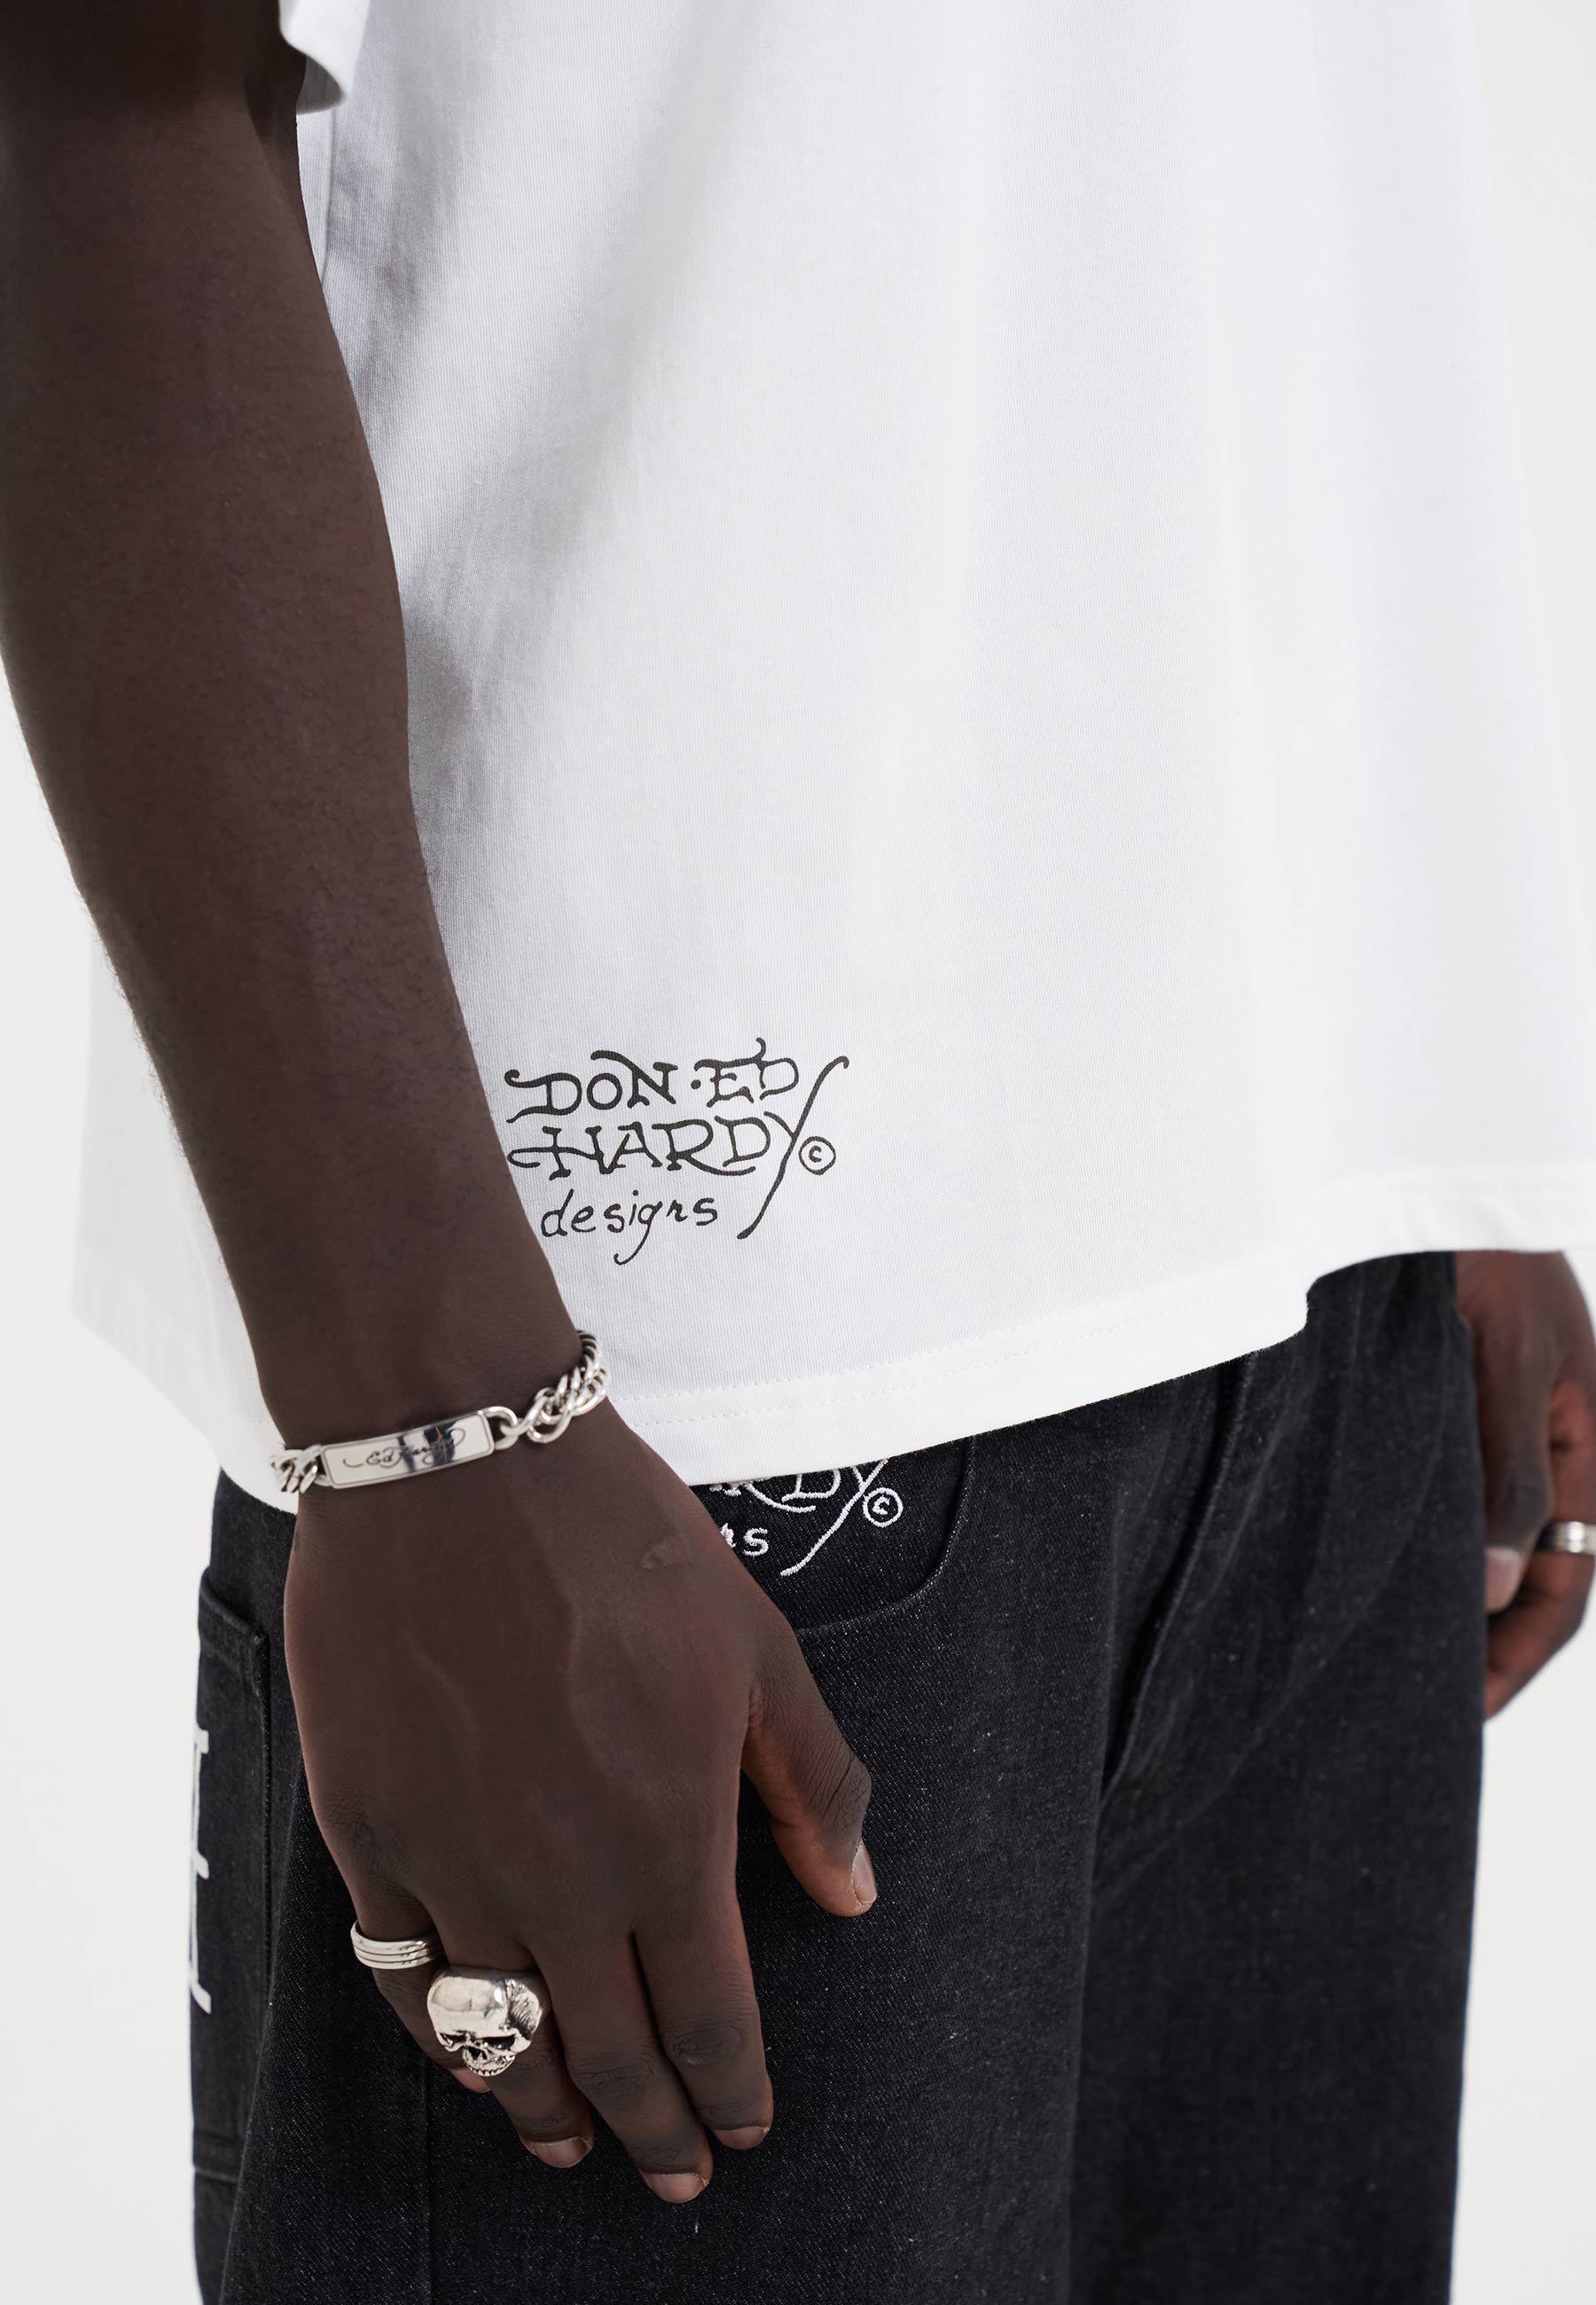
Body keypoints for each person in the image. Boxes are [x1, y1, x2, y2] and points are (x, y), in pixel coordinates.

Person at [3, 4, 1594, 2299]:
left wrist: (1427, 1106)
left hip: (1318, 1283)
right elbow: (85, 90)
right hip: (653, 1424)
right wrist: (429, 1419)